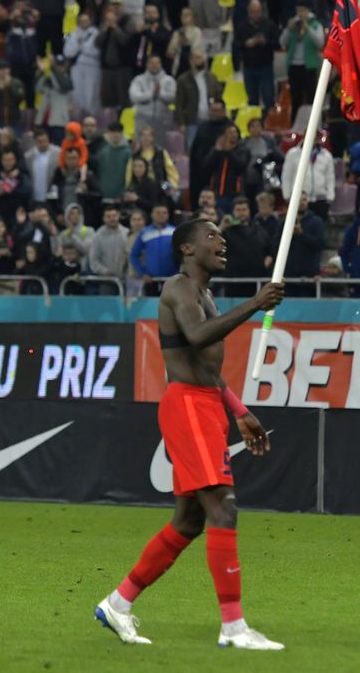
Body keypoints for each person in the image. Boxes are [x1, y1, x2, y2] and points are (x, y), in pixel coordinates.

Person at [95, 219, 286, 649]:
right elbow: (198, 337)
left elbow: (208, 371)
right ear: (186, 248)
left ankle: (118, 603)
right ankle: (234, 627)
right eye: (211, 235)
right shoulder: (178, 288)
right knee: (223, 507)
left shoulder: (206, 295)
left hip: (206, 403)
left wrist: (239, 412)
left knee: (189, 521)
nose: (222, 241)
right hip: (188, 406)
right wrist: (256, 304)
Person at [219, 195, 271, 296]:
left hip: (256, 281)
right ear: (233, 212)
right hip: (233, 282)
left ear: (249, 211)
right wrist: (221, 227)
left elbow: (269, 250)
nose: (241, 213)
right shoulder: (226, 231)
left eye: (244, 209)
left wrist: (268, 259)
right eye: (238, 210)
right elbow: (211, 242)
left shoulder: (260, 230)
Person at [129, 203, 177, 296]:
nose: (161, 215)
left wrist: (179, 273)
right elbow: (133, 255)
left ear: (168, 215)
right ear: (152, 215)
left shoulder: (174, 231)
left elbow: (182, 255)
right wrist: (142, 273)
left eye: (164, 213)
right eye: (158, 213)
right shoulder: (144, 232)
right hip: (151, 281)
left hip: (171, 280)